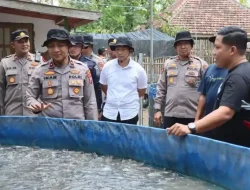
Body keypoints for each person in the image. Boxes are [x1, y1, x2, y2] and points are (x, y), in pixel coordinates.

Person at [167, 26, 250, 148]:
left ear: (232, 50)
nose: (213, 52)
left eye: (217, 47)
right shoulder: (244, 71)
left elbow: (225, 112)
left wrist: (191, 127)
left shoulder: (237, 76)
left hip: (234, 151)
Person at [25, 29, 98, 120]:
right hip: (50, 127)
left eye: (60, 45)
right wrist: (34, 104)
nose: (56, 50)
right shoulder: (39, 71)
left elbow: (90, 102)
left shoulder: (82, 69)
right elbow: (29, 96)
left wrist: (92, 128)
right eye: (51, 46)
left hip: (77, 127)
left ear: (68, 46)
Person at [154, 31, 208, 128]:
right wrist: (157, 110)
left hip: (193, 115)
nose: (183, 47)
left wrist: (202, 115)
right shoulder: (168, 64)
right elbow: (161, 88)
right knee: (170, 142)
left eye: (186, 43)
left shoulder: (201, 64)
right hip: (171, 114)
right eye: (179, 44)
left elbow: (206, 92)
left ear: (191, 46)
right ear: (175, 47)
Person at [100, 37, 147, 124]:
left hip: (129, 113)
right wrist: (113, 97)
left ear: (129, 51)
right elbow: (103, 85)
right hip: (110, 112)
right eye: (117, 49)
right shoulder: (107, 67)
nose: (120, 52)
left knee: (129, 137)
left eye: (123, 49)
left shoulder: (138, 69)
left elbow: (141, 91)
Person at [0, 30, 40, 116]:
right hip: (12, 112)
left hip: (34, 113)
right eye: (20, 42)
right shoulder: (5, 63)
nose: (24, 44)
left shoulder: (39, 61)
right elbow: (1, 89)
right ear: (13, 45)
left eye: (26, 41)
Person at [195, 36, 228, 123]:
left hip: (227, 123)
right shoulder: (210, 68)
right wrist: (197, 119)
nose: (214, 52)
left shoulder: (236, 71)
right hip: (208, 120)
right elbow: (203, 95)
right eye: (214, 47)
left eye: (218, 47)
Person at [82, 35, 103, 116]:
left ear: (91, 47)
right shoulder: (73, 60)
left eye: (85, 47)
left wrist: (98, 108)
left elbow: (98, 86)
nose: (82, 49)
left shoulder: (96, 61)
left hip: (91, 99)